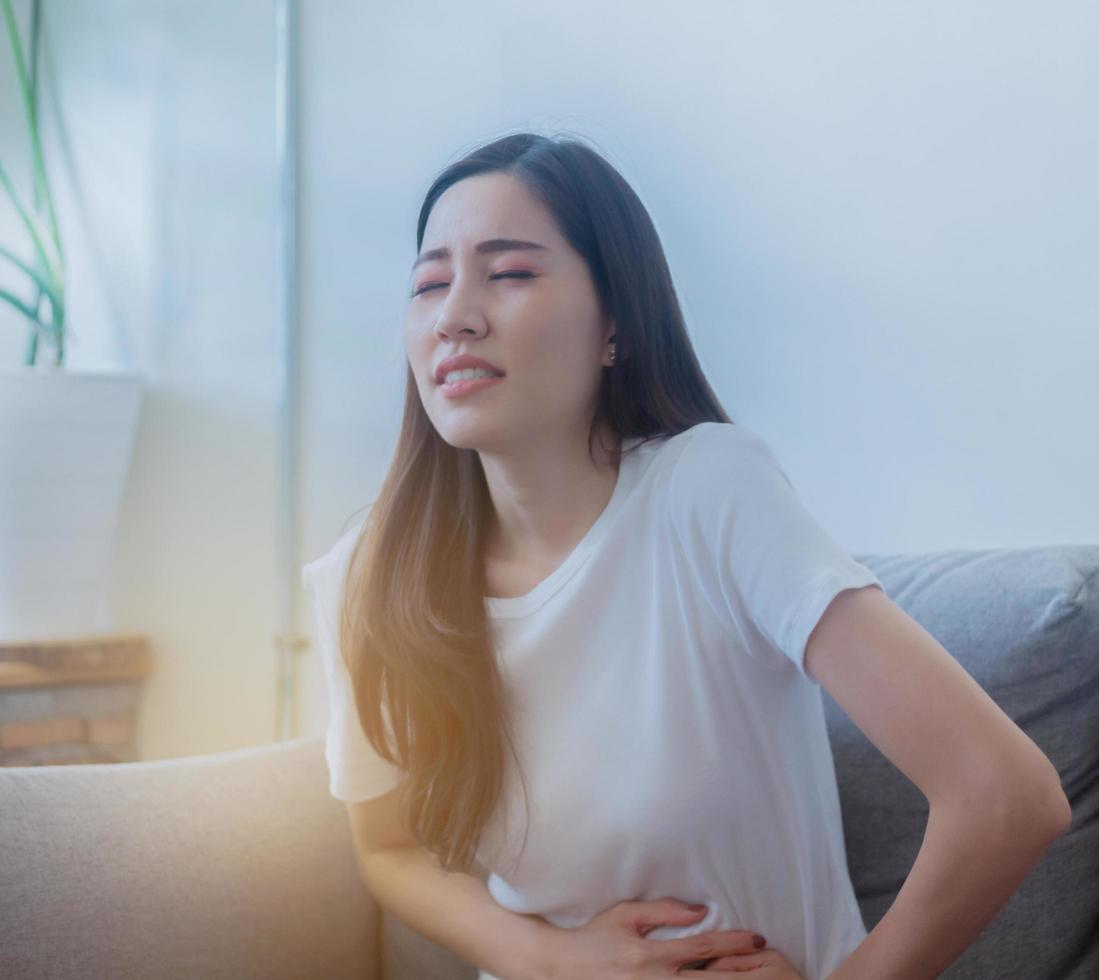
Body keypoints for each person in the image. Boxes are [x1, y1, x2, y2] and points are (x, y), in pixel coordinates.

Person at [300, 132, 1066, 980]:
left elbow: (1006, 796)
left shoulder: (708, 492)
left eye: (509, 273)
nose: (455, 316)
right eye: (429, 284)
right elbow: (389, 849)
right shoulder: (371, 575)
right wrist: (549, 960)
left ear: (614, 327)